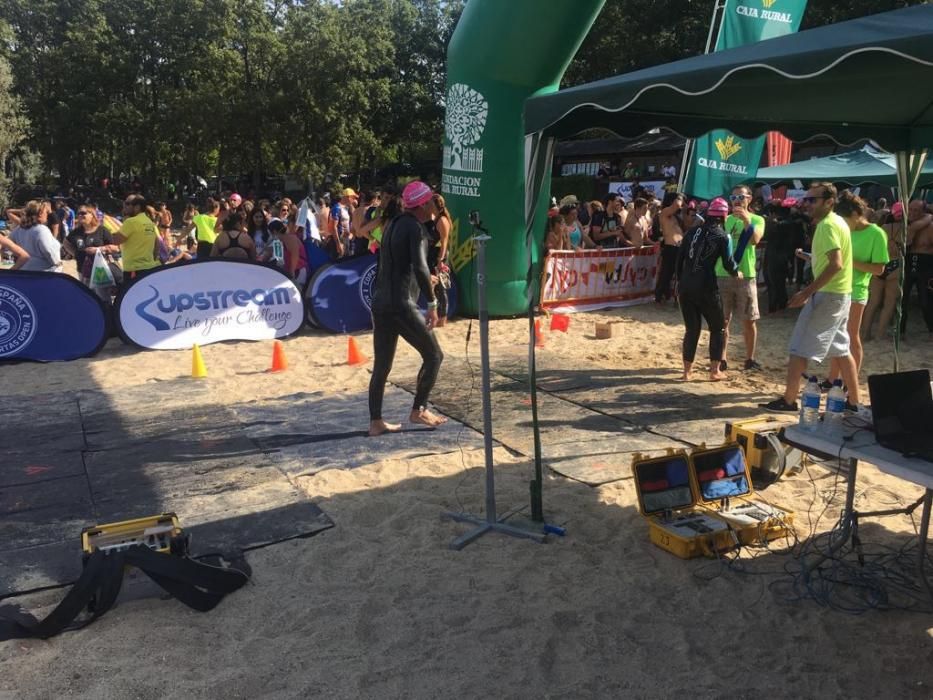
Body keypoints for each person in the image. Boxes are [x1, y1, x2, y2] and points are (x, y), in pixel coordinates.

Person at [760, 183, 861, 413]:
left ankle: (788, 401)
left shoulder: (827, 225)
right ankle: (854, 402)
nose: (807, 204)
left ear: (829, 202)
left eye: (812, 200)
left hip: (829, 295)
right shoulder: (838, 223)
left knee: (799, 348)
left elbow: (836, 264)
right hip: (840, 294)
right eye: (806, 199)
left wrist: (806, 292)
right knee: (842, 350)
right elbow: (833, 262)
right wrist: (810, 258)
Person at [368, 180, 446, 437]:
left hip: (381, 302)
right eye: (431, 203)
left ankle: (376, 422)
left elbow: (397, 266)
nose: (433, 207)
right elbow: (421, 267)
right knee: (434, 355)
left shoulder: (393, 225)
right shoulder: (415, 229)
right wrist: (432, 303)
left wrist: (420, 279)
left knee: (382, 366)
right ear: (423, 205)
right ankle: (419, 409)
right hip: (401, 304)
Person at [675, 197, 738, 381]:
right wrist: (736, 273)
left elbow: (680, 259)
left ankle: (687, 372)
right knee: (717, 328)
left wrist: (680, 281)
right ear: (724, 216)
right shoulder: (722, 236)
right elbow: (728, 263)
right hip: (706, 287)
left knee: (691, 329)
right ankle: (714, 371)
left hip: (686, 286)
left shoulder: (692, 231)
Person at [827, 191, 888, 381]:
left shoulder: (876, 233)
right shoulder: (843, 229)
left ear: (855, 214)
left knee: (851, 336)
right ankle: (832, 379)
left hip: (857, 290)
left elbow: (879, 269)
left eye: (843, 219)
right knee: (836, 338)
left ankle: (848, 382)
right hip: (836, 288)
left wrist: (849, 261)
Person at [716, 185, 765, 372]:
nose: (737, 200)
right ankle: (721, 358)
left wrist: (746, 221)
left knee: (749, 320)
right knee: (722, 321)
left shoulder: (757, 219)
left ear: (749, 199)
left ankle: (750, 359)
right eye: (733, 197)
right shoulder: (724, 220)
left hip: (746, 275)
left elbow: (755, 240)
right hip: (723, 273)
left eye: (741, 197)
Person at [64, 206, 118, 297]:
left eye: (83, 213)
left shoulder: (102, 230)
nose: (80, 215)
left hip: (101, 271)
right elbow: (66, 243)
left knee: (102, 298)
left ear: (92, 215)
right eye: (79, 213)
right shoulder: (76, 232)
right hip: (83, 271)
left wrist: (99, 249)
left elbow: (115, 248)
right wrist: (75, 253)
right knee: (87, 297)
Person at [111, 194, 160, 288]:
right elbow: (157, 243)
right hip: (149, 267)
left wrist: (105, 231)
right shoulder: (149, 222)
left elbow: (115, 241)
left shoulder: (131, 222)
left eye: (128, 204)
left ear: (137, 207)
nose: (124, 206)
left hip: (133, 270)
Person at [900, 200, 933, 339]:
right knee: (902, 300)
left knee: (926, 302)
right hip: (907, 264)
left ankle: (931, 329)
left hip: (925, 266)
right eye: (910, 209)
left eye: (916, 210)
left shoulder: (930, 227)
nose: (912, 213)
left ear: (923, 212)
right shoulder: (904, 226)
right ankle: (900, 331)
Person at [9, 200, 62, 272]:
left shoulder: (19, 229)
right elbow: (48, 251)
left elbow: (9, 244)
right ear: (40, 213)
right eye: (46, 212)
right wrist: (57, 263)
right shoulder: (42, 230)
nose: (47, 215)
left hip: (24, 269)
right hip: (42, 273)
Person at [425, 193, 452, 326]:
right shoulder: (435, 218)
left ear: (436, 205)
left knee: (441, 288)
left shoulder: (442, 220)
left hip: (439, 256)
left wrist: (440, 260)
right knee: (435, 287)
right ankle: (438, 316)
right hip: (433, 256)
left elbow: (444, 241)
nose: (427, 206)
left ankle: (442, 318)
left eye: (430, 204)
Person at [655, 191, 685, 303]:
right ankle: (659, 296)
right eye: (679, 199)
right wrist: (681, 198)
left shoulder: (675, 217)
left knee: (680, 274)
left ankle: (673, 296)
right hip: (670, 247)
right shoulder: (664, 212)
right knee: (666, 274)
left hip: (679, 248)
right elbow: (677, 205)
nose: (681, 203)